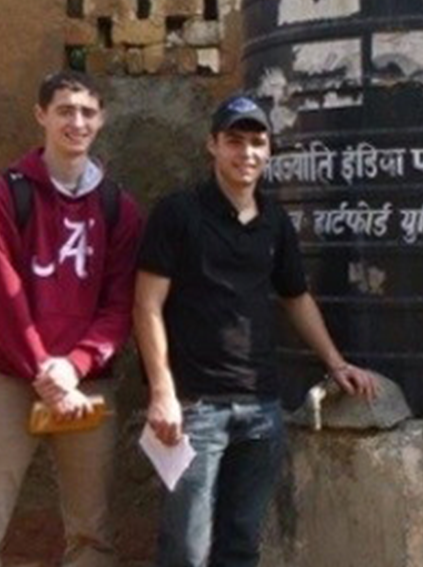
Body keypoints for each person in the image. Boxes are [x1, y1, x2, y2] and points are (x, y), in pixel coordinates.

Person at [135, 94, 378, 567]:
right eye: (234, 141)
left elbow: (296, 297)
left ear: (268, 152)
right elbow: (146, 305)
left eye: (256, 143)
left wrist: (336, 362)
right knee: (186, 550)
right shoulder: (178, 212)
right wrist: (162, 392)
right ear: (213, 146)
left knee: (241, 546)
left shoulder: (275, 222)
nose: (246, 153)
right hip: (195, 408)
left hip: (262, 409)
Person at [0, 71, 143, 567]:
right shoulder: (3, 196)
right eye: (64, 110)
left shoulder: (118, 208)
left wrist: (74, 366)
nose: (76, 122)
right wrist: (45, 370)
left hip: (87, 386)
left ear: (101, 120)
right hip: (7, 379)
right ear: (41, 115)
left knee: (91, 540)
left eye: (86, 112)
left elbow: (121, 304)